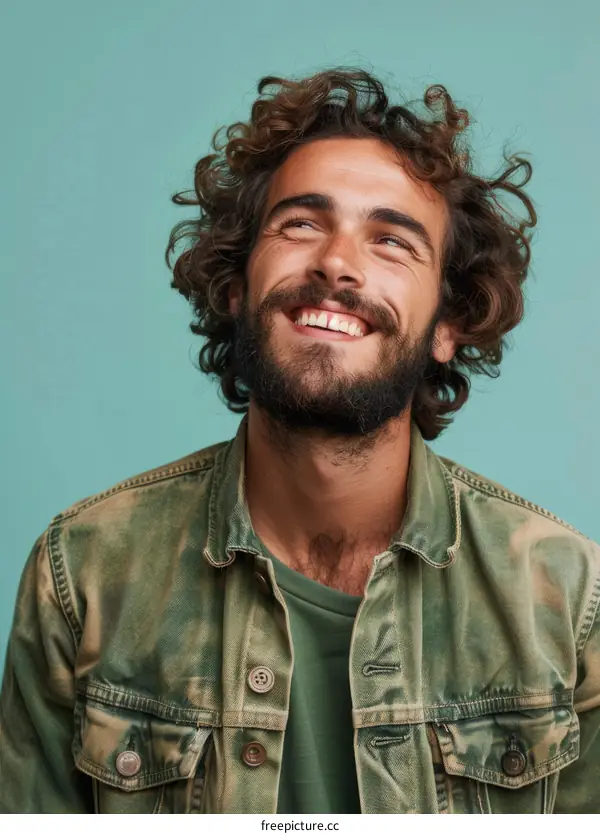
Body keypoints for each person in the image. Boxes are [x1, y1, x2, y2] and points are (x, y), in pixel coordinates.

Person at [1, 68, 598, 815]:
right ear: (235, 285)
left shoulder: (567, 595)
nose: (337, 264)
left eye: (391, 241)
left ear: (450, 324)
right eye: (302, 224)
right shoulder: (82, 572)